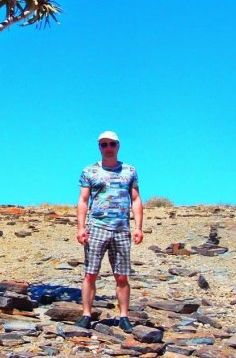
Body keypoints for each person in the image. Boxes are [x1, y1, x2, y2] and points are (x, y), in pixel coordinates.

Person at [74, 130, 144, 331]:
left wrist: (138, 227)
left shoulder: (130, 171)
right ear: (99, 147)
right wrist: (80, 228)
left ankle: (124, 316)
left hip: (122, 229)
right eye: (104, 144)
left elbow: (136, 199)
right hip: (96, 228)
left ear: (118, 146)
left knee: (122, 276)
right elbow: (83, 200)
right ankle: (86, 314)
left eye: (112, 144)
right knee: (90, 273)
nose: (108, 148)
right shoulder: (90, 171)